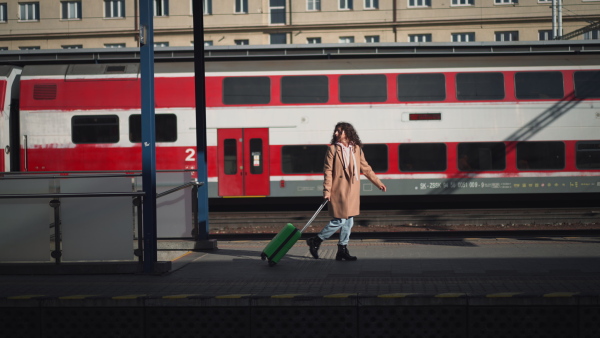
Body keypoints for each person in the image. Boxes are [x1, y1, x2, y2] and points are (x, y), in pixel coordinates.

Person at [306, 122, 387, 261]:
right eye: (335, 131)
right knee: (340, 220)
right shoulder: (332, 150)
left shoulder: (357, 149)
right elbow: (328, 171)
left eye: (339, 131)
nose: (335, 134)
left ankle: (342, 250)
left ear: (347, 133)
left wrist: (378, 183)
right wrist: (327, 190)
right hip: (338, 190)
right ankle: (316, 240)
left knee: (349, 222)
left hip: (352, 191)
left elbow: (366, 168)